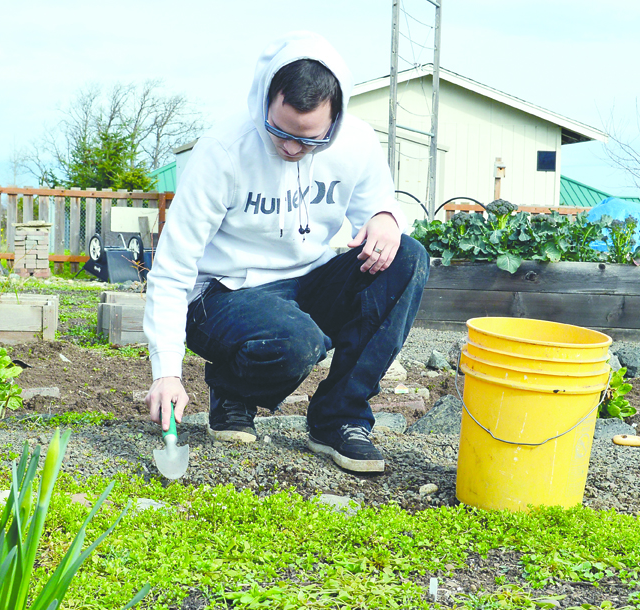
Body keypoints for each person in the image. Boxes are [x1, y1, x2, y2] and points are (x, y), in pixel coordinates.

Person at [143, 31, 429, 474]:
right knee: (296, 342)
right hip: (222, 294)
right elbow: (172, 267)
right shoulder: (223, 151)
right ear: (266, 101)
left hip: (305, 282)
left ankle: (339, 418)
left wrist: (387, 219)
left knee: (407, 258)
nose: (293, 148)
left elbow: (380, 204)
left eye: (310, 139)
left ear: (335, 119)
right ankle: (232, 388)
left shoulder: (357, 143)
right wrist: (166, 372)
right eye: (279, 132)